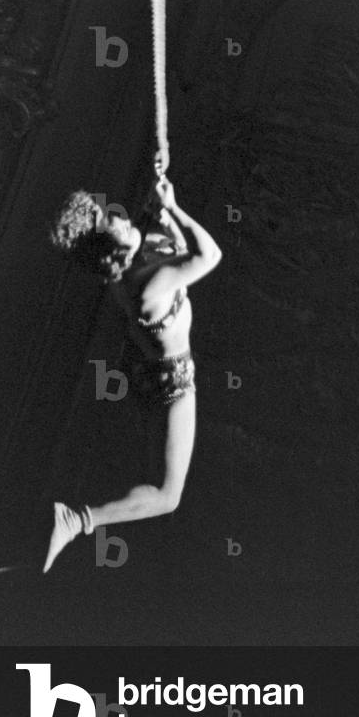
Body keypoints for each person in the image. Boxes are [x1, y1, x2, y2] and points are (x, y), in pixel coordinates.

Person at [44, 176, 222, 572]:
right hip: (172, 381)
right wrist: (171, 208)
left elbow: (162, 241)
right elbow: (209, 255)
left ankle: (79, 517)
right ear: (114, 249)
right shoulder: (147, 286)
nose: (123, 219)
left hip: (150, 372)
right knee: (167, 495)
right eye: (115, 224)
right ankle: (74, 520)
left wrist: (159, 201)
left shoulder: (121, 269)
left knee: (156, 477)